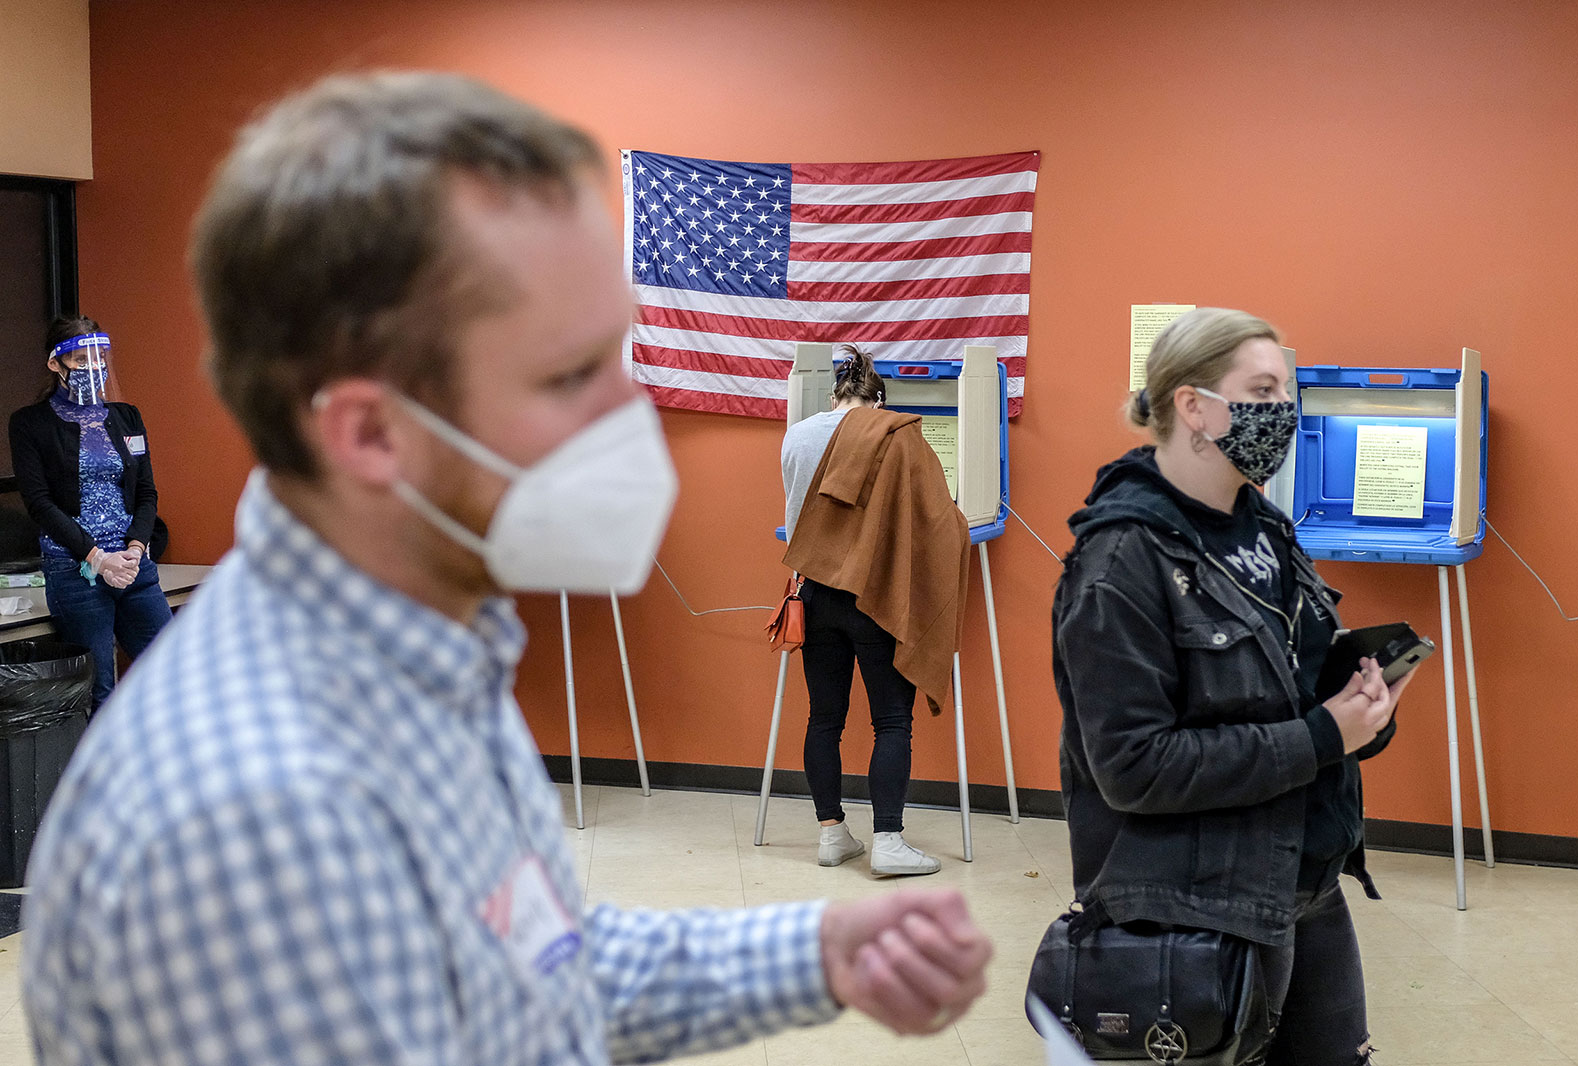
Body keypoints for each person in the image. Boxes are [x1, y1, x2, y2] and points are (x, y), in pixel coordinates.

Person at [22, 73, 992, 1065]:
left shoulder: (429, 651)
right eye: (568, 374)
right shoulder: (259, 822)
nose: (627, 416)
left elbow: (532, 970)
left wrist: (813, 954)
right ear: (371, 431)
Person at [1050, 308, 1411, 1065]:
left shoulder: (1266, 530)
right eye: (1263, 389)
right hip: (1191, 906)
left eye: (1287, 389)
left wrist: (1358, 711)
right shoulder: (1120, 563)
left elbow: (1292, 688)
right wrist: (1322, 736)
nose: (1284, 409)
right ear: (1194, 407)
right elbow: (1134, 767)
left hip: (1304, 882)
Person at [780, 347, 971, 877]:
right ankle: (888, 840)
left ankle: (831, 834)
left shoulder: (798, 435)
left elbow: (797, 516)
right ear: (879, 400)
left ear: (833, 393)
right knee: (891, 721)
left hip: (814, 592)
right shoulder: (899, 434)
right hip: (876, 599)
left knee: (824, 718)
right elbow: (937, 517)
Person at [8, 316, 172, 707]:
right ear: (55, 364)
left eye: (99, 360)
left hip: (134, 568)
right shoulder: (30, 424)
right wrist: (97, 557)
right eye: (82, 361)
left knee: (172, 672)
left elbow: (146, 491)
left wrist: (135, 548)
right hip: (76, 571)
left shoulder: (126, 416)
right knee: (98, 690)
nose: (94, 369)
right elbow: (39, 502)